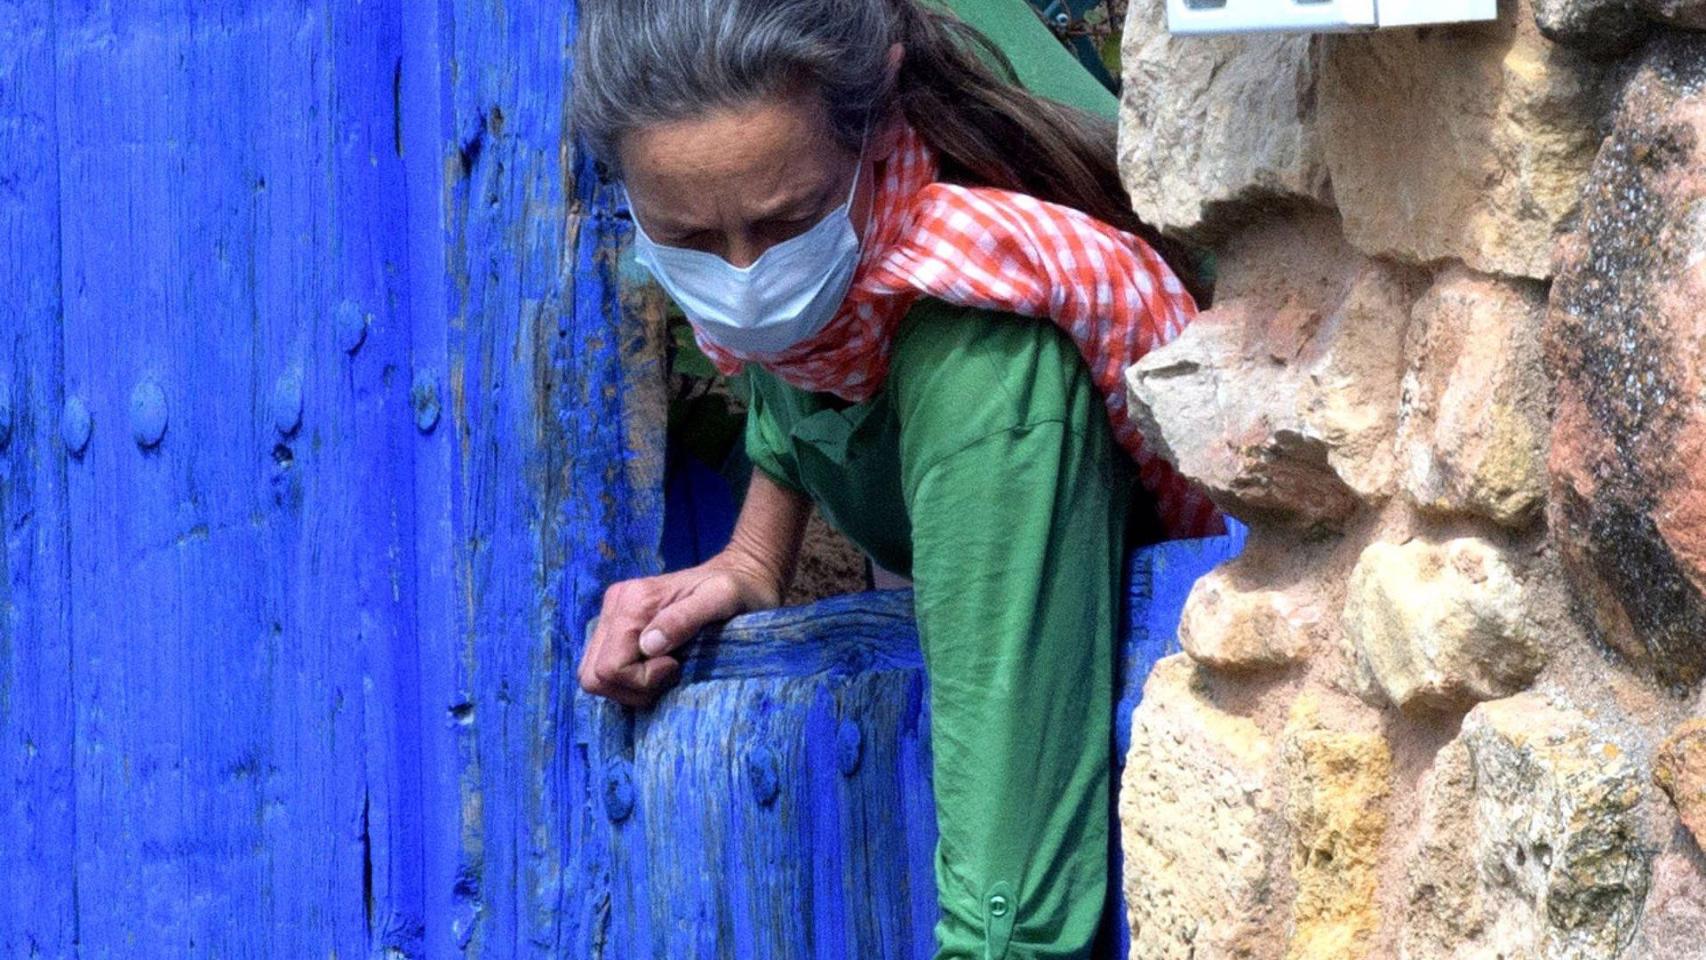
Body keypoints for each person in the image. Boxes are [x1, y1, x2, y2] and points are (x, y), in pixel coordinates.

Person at [572, 1, 1218, 956]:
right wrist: (755, 556)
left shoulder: (984, 353)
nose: (747, 278)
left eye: (786, 223)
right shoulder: (848, 279)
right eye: (692, 242)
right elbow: (797, 359)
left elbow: (1014, 914)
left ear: (876, 136)